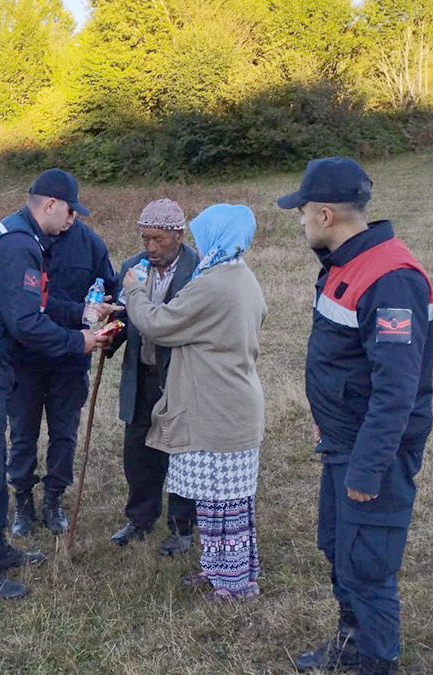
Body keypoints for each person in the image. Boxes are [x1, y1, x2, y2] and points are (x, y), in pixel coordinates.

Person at [278, 158, 433, 675]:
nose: (299, 223)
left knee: (369, 565)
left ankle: (376, 662)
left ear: (326, 215)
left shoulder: (390, 279)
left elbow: (396, 390)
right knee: (338, 548)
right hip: (342, 443)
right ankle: (350, 644)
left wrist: (368, 468)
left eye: (301, 213)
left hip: (373, 453)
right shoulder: (345, 265)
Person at [0, 168, 109, 599]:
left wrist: (85, 312)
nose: (72, 221)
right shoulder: (18, 246)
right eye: (69, 212)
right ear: (50, 205)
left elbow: (36, 301)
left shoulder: (17, 237)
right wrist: (80, 341)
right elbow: (27, 322)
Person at [122, 203, 267, 601]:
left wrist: (133, 289)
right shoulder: (241, 276)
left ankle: (234, 586)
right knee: (220, 501)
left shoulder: (213, 282)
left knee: (226, 506)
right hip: (231, 403)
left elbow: (158, 324)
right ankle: (220, 572)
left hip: (218, 407)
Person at [7, 211, 118, 537]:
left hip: (72, 356)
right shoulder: (23, 241)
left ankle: (54, 499)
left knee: (64, 433)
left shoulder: (91, 243)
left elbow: (110, 289)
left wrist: (107, 320)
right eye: (65, 210)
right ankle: (23, 499)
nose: (69, 218)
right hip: (25, 357)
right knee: (22, 433)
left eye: (74, 212)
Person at [106, 198, 199, 556]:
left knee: (179, 451)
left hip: (180, 375)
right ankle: (140, 518)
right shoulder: (133, 267)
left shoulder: (198, 270)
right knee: (138, 451)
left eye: (158, 239)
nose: (150, 247)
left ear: (178, 234)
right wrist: (108, 334)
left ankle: (181, 527)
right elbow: (122, 317)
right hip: (141, 375)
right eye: (145, 238)